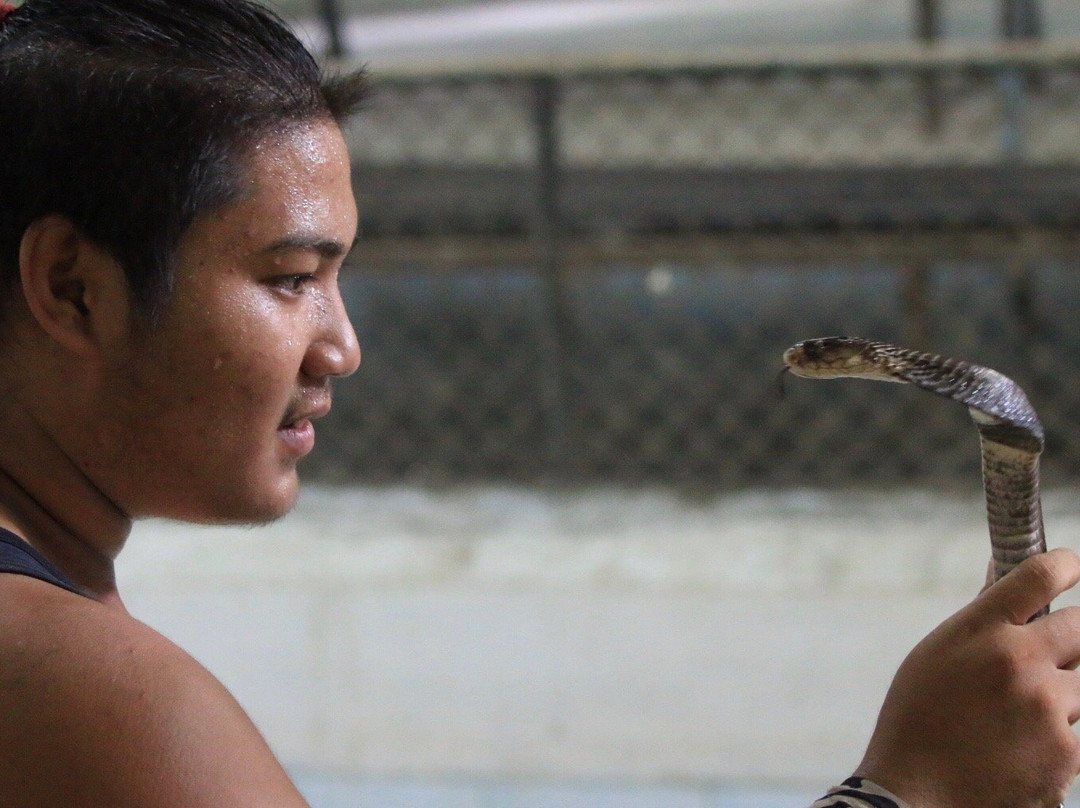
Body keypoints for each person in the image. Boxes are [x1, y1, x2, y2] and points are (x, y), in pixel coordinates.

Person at [0, 1, 1077, 806]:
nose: (343, 346)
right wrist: (911, 789)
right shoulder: (92, 696)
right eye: (290, 278)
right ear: (71, 287)